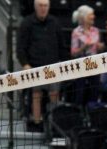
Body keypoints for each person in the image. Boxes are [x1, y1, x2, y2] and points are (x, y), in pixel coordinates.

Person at [16, 0, 64, 130]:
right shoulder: (27, 23)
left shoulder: (55, 23)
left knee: (54, 93)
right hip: (34, 66)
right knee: (36, 94)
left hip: (53, 67)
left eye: (45, 6)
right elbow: (20, 48)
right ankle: (37, 122)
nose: (43, 8)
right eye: (40, 6)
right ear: (35, 7)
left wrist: (62, 63)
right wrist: (25, 64)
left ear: (49, 7)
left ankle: (54, 124)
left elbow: (62, 46)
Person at [70, 6, 103, 107]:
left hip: (94, 65)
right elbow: (73, 53)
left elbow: (98, 50)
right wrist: (83, 48)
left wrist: (100, 47)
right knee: (80, 93)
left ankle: (92, 115)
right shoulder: (76, 32)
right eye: (91, 15)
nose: (93, 17)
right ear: (84, 17)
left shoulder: (96, 31)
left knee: (94, 92)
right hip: (81, 66)